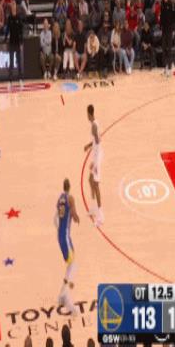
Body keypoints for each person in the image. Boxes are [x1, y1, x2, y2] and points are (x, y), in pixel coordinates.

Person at [55, 178, 80, 316]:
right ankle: (65, 297)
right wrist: (77, 218)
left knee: (72, 264)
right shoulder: (71, 198)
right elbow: (74, 215)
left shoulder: (59, 199)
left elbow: (56, 218)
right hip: (65, 237)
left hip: (62, 236)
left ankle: (62, 294)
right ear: (69, 187)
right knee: (73, 266)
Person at [84, 105, 104, 226]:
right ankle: (93, 208)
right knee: (90, 180)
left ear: (89, 114)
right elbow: (95, 141)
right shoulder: (95, 123)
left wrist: (95, 163)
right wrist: (88, 145)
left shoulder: (94, 126)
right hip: (96, 156)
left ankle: (101, 216)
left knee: (96, 185)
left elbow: (97, 143)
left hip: (97, 157)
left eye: (87, 114)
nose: (86, 116)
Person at [5, 0, 24, 86]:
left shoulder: (19, 17)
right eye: (12, 5)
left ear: (16, 7)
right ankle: (10, 80)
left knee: (19, 61)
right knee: (11, 62)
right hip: (11, 43)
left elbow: (21, 31)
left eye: (14, 5)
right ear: (11, 7)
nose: (13, 6)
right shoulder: (9, 18)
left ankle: (20, 79)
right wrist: (5, 39)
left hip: (17, 43)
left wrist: (21, 42)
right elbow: (7, 30)